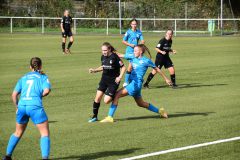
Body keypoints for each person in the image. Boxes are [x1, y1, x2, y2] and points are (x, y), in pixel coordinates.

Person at [100, 44, 172, 123]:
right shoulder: (133, 56)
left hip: (135, 84)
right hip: (135, 85)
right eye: (133, 51)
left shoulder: (146, 61)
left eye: (135, 51)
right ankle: (160, 111)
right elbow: (120, 55)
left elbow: (157, 69)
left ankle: (110, 117)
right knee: (140, 103)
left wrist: (166, 79)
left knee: (117, 95)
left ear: (140, 52)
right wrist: (110, 49)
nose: (133, 52)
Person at [2, 57, 51, 160]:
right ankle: (45, 158)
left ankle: (7, 156)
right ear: (41, 66)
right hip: (35, 107)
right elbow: (46, 91)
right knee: (44, 133)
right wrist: (38, 96)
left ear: (30, 67)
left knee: (17, 132)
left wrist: (17, 107)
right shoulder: (43, 77)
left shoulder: (23, 78)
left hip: (22, 107)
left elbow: (14, 95)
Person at [88, 42, 126, 122]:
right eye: (102, 50)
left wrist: (120, 77)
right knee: (97, 98)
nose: (104, 52)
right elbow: (103, 66)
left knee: (106, 101)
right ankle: (94, 116)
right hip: (104, 80)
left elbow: (123, 67)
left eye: (105, 50)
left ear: (109, 49)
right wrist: (95, 70)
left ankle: (116, 95)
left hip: (113, 81)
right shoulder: (103, 57)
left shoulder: (115, 57)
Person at [122, 18, 144, 87]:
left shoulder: (139, 32)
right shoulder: (128, 32)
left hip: (136, 52)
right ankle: (126, 82)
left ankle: (130, 80)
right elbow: (123, 41)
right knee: (131, 66)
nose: (134, 25)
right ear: (131, 25)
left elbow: (142, 40)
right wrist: (130, 44)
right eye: (133, 24)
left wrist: (142, 43)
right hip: (130, 51)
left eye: (135, 24)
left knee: (134, 66)